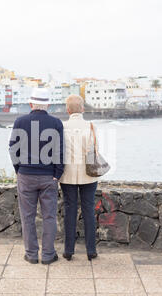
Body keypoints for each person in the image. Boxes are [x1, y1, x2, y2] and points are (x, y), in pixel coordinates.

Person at [9, 88, 64, 265]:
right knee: (49, 217)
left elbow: (13, 148)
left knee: (27, 216)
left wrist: (18, 169)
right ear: (48, 104)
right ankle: (48, 255)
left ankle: (31, 254)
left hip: (26, 174)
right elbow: (60, 151)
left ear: (31, 104)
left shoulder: (20, 121)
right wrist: (57, 174)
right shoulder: (56, 123)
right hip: (49, 176)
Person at [59, 95, 99, 261]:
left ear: (68, 110)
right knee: (89, 210)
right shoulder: (90, 126)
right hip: (88, 175)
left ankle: (69, 250)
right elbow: (95, 150)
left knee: (70, 210)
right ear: (82, 108)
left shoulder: (61, 126)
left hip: (67, 174)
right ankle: (91, 250)